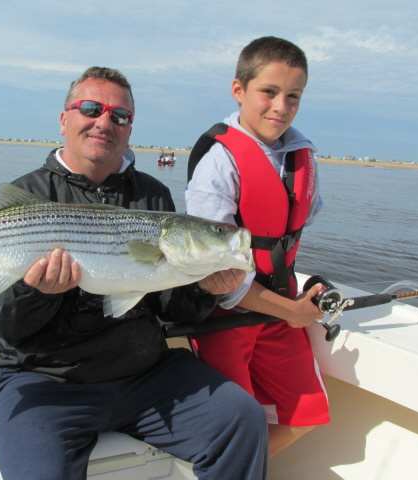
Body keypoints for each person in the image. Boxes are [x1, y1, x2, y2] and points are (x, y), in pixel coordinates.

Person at [0, 66, 268, 480]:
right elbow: (3, 323)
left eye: (119, 115)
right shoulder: (27, 198)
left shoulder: (152, 194)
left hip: (145, 375)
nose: (104, 122)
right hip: (45, 380)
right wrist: (38, 292)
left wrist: (204, 288)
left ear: (129, 129)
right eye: (91, 108)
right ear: (64, 119)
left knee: (242, 420)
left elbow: (170, 305)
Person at [185, 37, 330, 458]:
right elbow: (219, 275)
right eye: (268, 92)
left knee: (306, 415)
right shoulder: (219, 162)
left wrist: (294, 303)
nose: (280, 107)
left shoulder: (303, 157)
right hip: (226, 314)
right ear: (239, 91)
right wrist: (293, 312)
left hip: (281, 309)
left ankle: (241, 468)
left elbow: (295, 228)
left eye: (293, 96)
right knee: (239, 421)